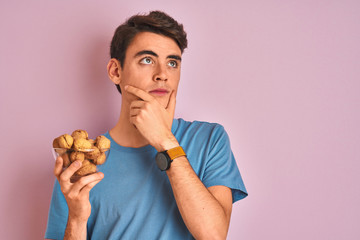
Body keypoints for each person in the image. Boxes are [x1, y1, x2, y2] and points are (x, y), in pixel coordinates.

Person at [45, 10, 247, 240]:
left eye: (172, 63)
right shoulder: (82, 160)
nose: (162, 74)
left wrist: (164, 140)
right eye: (147, 60)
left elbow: (214, 235)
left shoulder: (210, 139)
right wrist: (77, 219)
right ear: (115, 71)